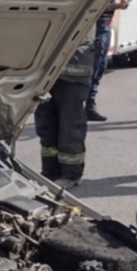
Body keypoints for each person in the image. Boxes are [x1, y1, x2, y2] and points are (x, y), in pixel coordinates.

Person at [34, 35, 94, 186]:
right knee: (46, 125)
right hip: (44, 71)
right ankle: (49, 171)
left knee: (70, 126)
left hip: (73, 71)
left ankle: (71, 174)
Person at [86, 0, 132, 122]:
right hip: (98, 27)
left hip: (103, 27)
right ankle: (88, 106)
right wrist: (117, 6)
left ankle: (89, 105)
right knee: (96, 67)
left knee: (100, 67)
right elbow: (97, 6)